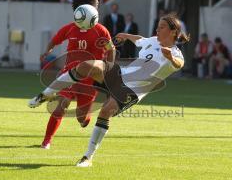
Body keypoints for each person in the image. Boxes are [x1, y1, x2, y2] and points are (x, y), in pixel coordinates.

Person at [29, 13, 189, 166]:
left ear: (173, 31)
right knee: (87, 65)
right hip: (121, 74)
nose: (157, 29)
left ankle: (87, 157)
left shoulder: (176, 54)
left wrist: (170, 58)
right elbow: (141, 39)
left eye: (161, 27)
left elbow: (178, 64)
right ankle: (46, 94)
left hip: (133, 91)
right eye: (158, 26)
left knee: (105, 112)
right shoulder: (153, 40)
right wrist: (125, 35)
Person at [29, 0, 115, 149]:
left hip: (89, 80)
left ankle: (85, 118)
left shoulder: (101, 30)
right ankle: (46, 141)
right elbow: (54, 41)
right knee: (61, 105)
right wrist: (47, 51)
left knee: (81, 119)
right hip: (69, 75)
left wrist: (108, 67)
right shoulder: (69, 29)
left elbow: (111, 49)